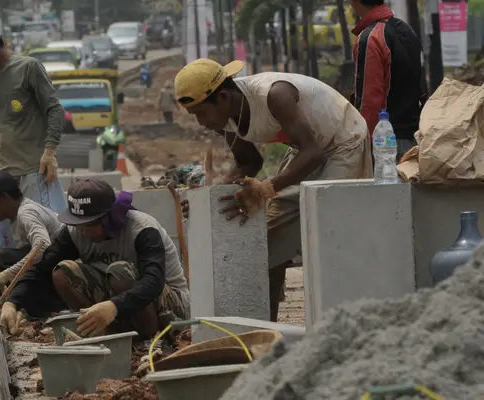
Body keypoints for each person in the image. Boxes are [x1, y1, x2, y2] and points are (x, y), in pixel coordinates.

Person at [174, 59, 372, 322]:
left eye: (201, 113)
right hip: (307, 149)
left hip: (343, 142)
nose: (201, 122)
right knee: (269, 236)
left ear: (221, 97)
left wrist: (267, 188)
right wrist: (207, 199)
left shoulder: (273, 95)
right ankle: (267, 327)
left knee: (328, 230)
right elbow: (249, 162)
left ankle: (343, 318)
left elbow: (314, 154)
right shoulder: (225, 118)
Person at [0, 179, 190, 339]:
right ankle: (99, 332)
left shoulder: (142, 229)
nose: (81, 230)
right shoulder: (76, 232)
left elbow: (153, 281)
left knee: (120, 271)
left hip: (169, 305)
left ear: (108, 218)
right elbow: (42, 268)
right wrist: (12, 301)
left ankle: (148, 339)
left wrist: (115, 306)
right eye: (78, 224)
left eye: (88, 225)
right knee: (62, 272)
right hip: (120, 303)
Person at [0, 24, 67, 250]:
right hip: (3, 179)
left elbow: (54, 109)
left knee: (47, 242)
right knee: (9, 246)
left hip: (34, 172)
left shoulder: (28, 68)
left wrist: (49, 151)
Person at [350, 0, 425, 162]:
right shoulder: (406, 30)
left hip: (385, 145)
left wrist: (361, 148)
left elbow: (369, 101)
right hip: (414, 139)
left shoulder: (370, 38)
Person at [0, 171, 65, 292]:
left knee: (3, 259)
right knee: (5, 257)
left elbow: (43, 246)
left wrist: (6, 275)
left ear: (3, 197)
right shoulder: (16, 215)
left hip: (64, 265)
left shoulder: (26, 213)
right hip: (55, 260)